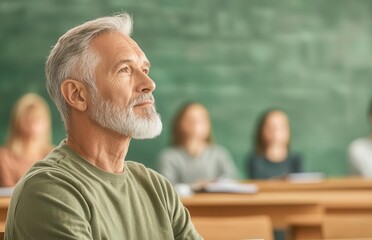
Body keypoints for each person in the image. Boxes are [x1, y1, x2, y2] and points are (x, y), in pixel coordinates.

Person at [5, 13, 201, 239]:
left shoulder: (157, 188)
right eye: (124, 70)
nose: (149, 84)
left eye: (145, 70)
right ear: (77, 95)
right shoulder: (49, 190)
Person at [158, 102, 237, 187]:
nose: (196, 124)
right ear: (180, 124)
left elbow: (232, 180)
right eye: (191, 120)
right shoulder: (169, 157)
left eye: (201, 120)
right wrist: (194, 187)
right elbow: (166, 188)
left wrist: (212, 184)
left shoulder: (220, 154)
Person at [0, 93, 54, 187]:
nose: (33, 121)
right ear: (17, 120)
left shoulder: (54, 155)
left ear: (47, 122)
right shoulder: (4, 157)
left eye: (38, 117)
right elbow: (8, 196)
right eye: (28, 116)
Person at [247, 109, 302, 179]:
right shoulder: (255, 160)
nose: (276, 132)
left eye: (281, 127)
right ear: (262, 131)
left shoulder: (296, 159)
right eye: (271, 128)